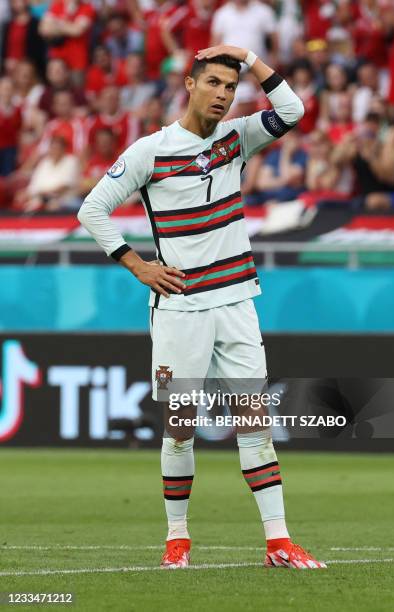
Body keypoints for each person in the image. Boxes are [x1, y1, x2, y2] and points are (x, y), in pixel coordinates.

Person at [77, 44, 326, 571]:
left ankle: (278, 541)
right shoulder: (151, 151)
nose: (222, 94)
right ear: (189, 84)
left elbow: (293, 112)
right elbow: (92, 208)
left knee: (254, 420)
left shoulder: (237, 138)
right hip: (181, 307)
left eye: (230, 87)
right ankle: (177, 540)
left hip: (237, 299)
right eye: (213, 82)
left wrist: (248, 57)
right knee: (181, 423)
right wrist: (136, 263)